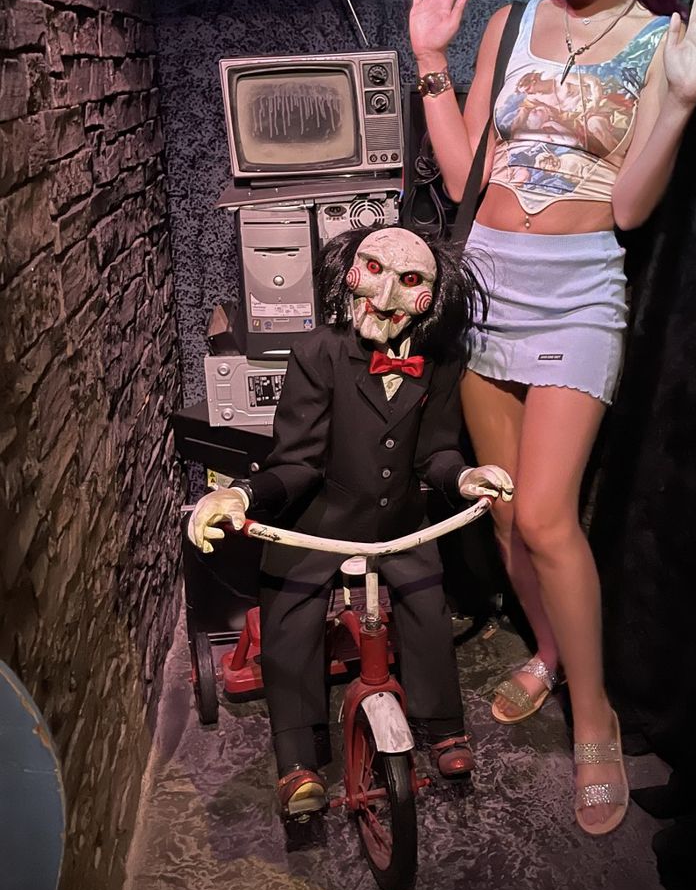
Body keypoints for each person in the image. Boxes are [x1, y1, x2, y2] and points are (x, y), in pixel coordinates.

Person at [408, 0, 696, 836]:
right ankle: (548, 652)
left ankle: (593, 716)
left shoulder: (656, 39)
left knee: (550, 514)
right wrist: (429, 59)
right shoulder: (511, 25)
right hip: (488, 292)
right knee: (508, 515)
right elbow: (461, 177)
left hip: (576, 298)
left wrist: (679, 98)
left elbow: (630, 205)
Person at [187, 227, 513, 822]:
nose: (384, 296)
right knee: (289, 605)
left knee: (425, 598)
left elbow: (435, 452)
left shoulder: (441, 361)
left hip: (399, 523)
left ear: (432, 297)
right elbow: (296, 460)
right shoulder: (318, 353)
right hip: (320, 519)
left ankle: (441, 725)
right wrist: (241, 494)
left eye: (408, 281)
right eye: (374, 270)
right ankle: (298, 754)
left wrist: (464, 476)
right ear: (349, 272)